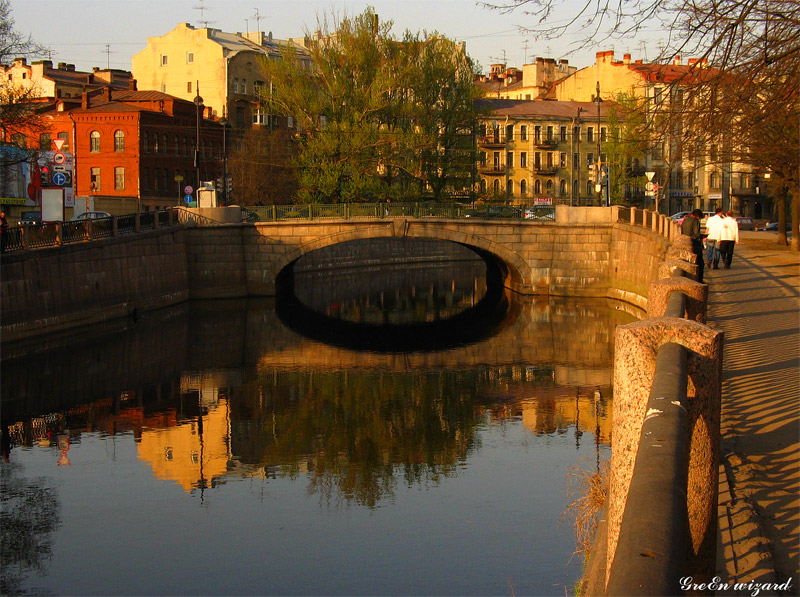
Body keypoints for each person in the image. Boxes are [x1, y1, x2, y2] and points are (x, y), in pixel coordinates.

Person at [681, 208, 705, 282]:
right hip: (694, 243)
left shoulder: (685, 220)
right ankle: (699, 280)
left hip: (685, 242)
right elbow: (696, 234)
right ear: (697, 216)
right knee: (700, 263)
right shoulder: (695, 221)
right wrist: (703, 236)